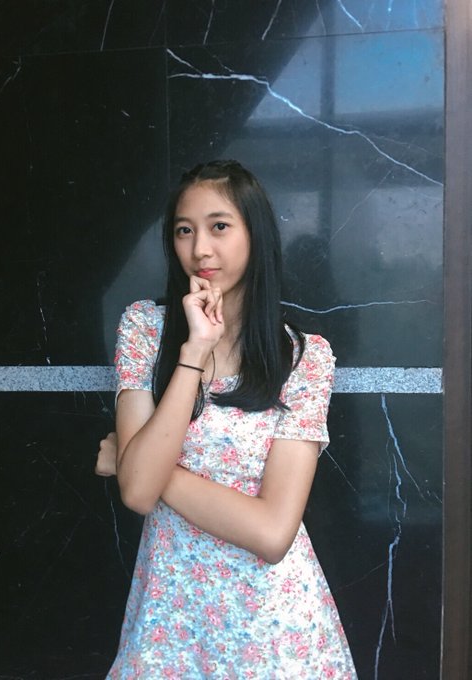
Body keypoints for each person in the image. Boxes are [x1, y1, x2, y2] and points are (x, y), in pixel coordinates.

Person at [95, 160, 357, 678]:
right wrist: (194, 351)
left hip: (276, 627)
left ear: (255, 234)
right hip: (171, 621)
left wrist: (136, 463)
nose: (200, 249)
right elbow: (138, 495)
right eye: (184, 230)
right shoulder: (146, 329)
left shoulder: (303, 358)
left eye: (219, 226)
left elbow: (272, 532)